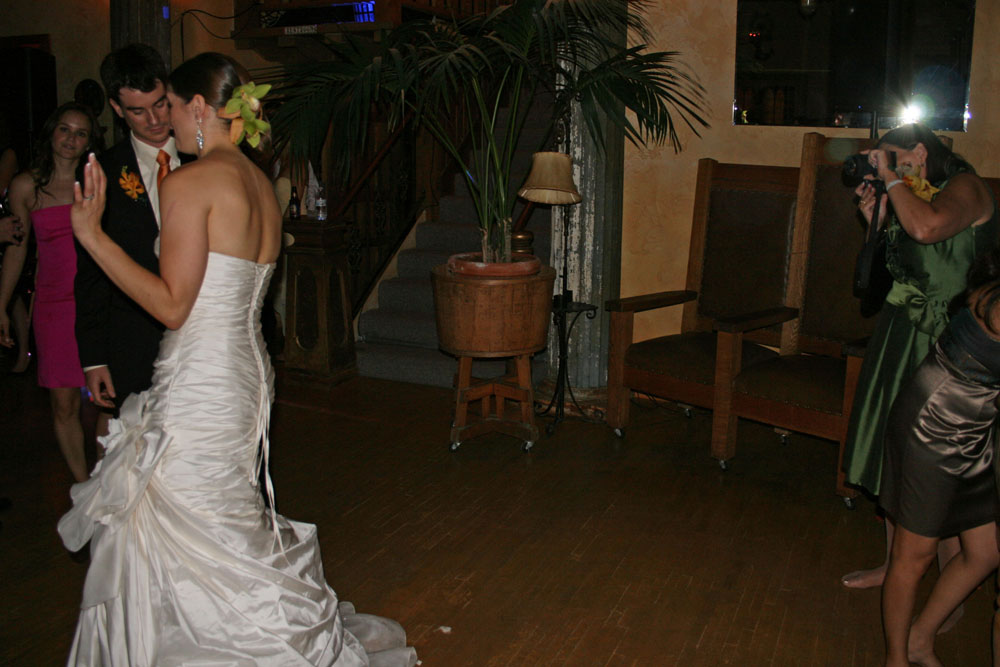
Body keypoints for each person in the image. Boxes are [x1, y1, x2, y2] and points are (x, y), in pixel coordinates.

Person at [58, 52, 417, 666]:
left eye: (172, 107)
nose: (166, 121)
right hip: (245, 372)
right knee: (223, 513)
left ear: (199, 107)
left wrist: (92, 236)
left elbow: (173, 306)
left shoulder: (189, 182)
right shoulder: (259, 184)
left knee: (196, 517)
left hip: (201, 375)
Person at [840, 124, 997, 593]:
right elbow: (893, 275)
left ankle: (944, 587)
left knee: (942, 467)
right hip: (900, 334)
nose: (883, 166)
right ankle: (896, 566)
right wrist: (876, 221)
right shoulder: (908, 194)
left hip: (950, 345)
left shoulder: (966, 187)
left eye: (891, 156)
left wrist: (891, 179)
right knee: (896, 456)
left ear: (921, 152)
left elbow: (928, 228)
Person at [879, 248, 1000, 666]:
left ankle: (919, 639)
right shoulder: (997, 304)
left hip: (976, 425)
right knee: (914, 556)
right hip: (934, 425)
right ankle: (896, 659)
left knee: (985, 553)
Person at [74, 44, 180, 435]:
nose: (154, 120)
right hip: (133, 339)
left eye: (160, 104)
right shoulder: (102, 171)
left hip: (201, 337)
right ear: (117, 109)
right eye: (138, 111)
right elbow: (90, 273)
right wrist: (94, 358)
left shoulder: (205, 158)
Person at [0, 102, 100, 483]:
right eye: (64, 129)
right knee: (63, 404)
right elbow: (17, 248)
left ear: (89, 141)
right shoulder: (26, 186)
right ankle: (83, 486)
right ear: (51, 132)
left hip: (97, 301)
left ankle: (107, 482)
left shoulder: (95, 181)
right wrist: (2, 305)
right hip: (54, 306)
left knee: (107, 399)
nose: (71, 139)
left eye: (80, 133)